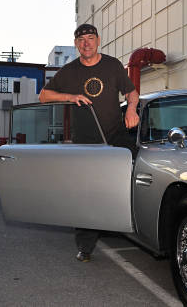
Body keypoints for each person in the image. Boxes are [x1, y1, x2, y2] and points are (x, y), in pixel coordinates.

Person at [39, 23, 139, 262]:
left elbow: (131, 93)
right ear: (76, 44)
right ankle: (85, 246)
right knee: (86, 194)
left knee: (137, 169)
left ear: (98, 40)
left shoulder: (112, 65)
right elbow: (43, 96)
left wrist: (131, 110)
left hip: (114, 135)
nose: (86, 43)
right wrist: (70, 97)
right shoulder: (69, 71)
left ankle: (134, 222)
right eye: (81, 39)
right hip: (85, 143)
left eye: (90, 38)